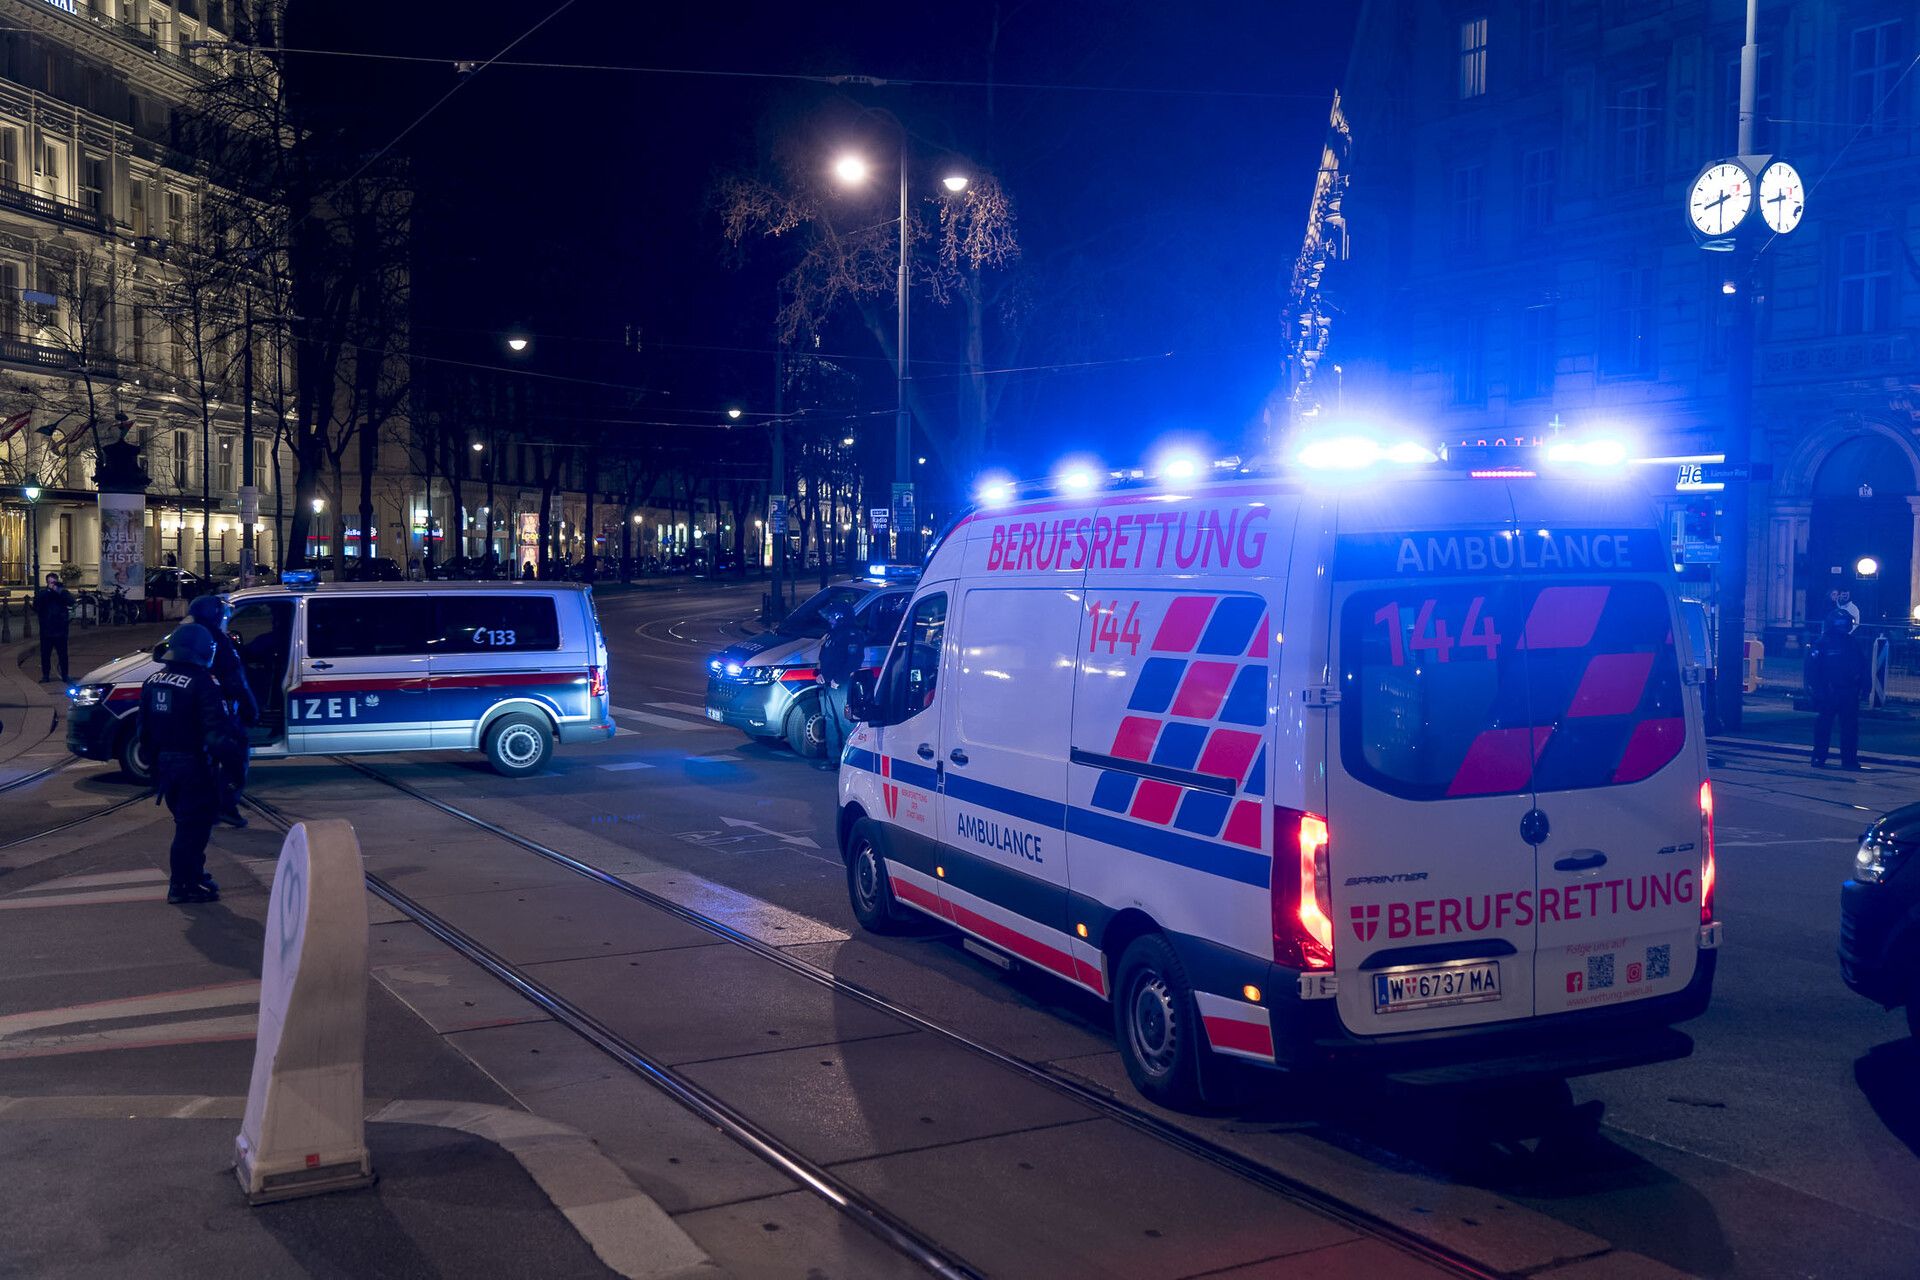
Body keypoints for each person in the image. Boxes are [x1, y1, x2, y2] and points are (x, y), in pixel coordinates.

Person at [139, 622, 234, 905]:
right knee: (193, 827)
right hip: (194, 764)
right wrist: (231, 767)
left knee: (185, 822)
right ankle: (182, 884)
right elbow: (216, 733)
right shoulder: (203, 683)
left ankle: (194, 874)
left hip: (165, 765)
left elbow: (143, 729)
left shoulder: (153, 680)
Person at [186, 594, 257, 827]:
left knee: (206, 763)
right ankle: (226, 805)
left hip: (196, 715)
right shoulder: (220, 641)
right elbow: (236, 681)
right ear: (215, 616)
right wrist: (250, 709)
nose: (226, 617)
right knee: (236, 757)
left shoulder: (188, 637)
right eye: (223, 613)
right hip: (221, 713)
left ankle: (206, 806)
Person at [1809, 613, 1869, 770]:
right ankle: (1824, 758)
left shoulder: (1850, 643)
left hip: (1844, 691)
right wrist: (1817, 691)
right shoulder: (1824, 643)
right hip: (1832, 691)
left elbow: (1863, 666)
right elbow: (1813, 670)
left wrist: (1865, 686)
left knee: (1845, 727)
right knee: (1830, 726)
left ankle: (1842, 760)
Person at [814, 607, 866, 770]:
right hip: (829, 684)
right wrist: (821, 674)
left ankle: (851, 760)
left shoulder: (851, 634)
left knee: (845, 722)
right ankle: (834, 759)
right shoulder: (834, 633)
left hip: (841, 685)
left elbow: (854, 660)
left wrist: (839, 679)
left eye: (832, 617)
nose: (830, 620)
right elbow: (825, 657)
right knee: (830, 720)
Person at [33, 571, 72, 684]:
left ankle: (65, 674)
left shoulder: (62, 592)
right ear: (47, 583)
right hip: (46, 630)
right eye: (50, 582)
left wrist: (60, 592)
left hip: (60, 629)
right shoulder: (43, 593)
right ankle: (46, 675)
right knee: (45, 654)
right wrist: (49, 592)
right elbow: (37, 605)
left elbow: (71, 601)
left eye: (53, 582)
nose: (52, 584)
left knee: (63, 654)